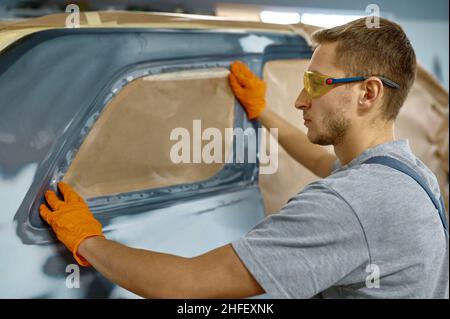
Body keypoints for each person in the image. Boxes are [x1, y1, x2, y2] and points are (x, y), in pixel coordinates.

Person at [40, 17, 448, 298]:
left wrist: (87, 241)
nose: (301, 100)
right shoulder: (406, 174)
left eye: (316, 84)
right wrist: (261, 113)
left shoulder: (350, 204)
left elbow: (182, 285)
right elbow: (327, 165)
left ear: (368, 92)